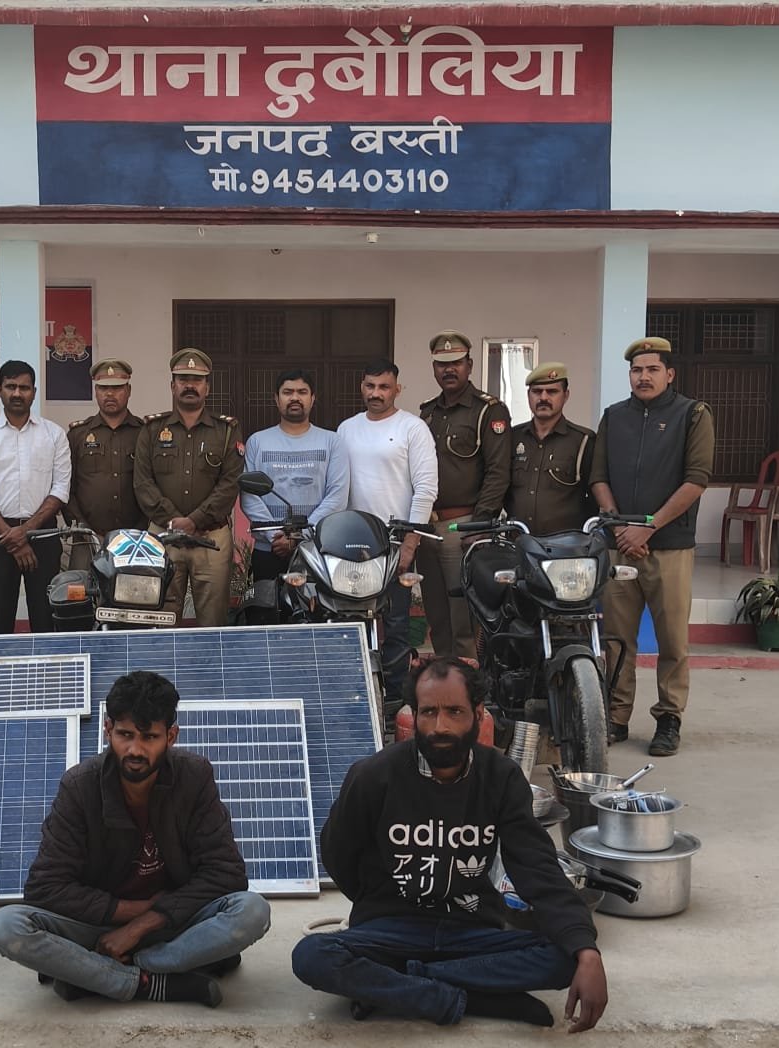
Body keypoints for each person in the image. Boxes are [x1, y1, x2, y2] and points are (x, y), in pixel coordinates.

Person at [291, 657, 608, 1032]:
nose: (440, 726)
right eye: (429, 712)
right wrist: (379, 903)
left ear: (478, 714)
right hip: (390, 931)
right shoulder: (373, 775)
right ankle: (466, 996)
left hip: (471, 931)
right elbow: (338, 854)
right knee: (312, 955)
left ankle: (404, 985)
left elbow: (536, 866)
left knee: (566, 956)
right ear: (414, 715)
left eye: (454, 711)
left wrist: (587, 950)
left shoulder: (501, 777)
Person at [0, 671, 271, 1007]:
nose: (135, 749)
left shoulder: (194, 777)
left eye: (149, 737)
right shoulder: (79, 787)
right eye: (125, 735)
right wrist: (133, 912)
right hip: (98, 927)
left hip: (174, 922)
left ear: (171, 736)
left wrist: (142, 926)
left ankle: (98, 973)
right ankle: (151, 983)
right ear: (107, 730)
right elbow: (44, 887)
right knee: (6, 927)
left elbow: (226, 873)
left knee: (253, 911)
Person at [590, 337, 714, 757]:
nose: (643, 377)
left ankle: (668, 719)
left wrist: (647, 528)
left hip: (670, 547)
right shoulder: (614, 416)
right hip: (620, 546)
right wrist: (620, 526)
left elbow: (696, 480)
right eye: (637, 370)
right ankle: (616, 716)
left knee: (672, 640)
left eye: (652, 369)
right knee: (616, 639)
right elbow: (598, 477)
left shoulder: (692, 414)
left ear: (669, 374)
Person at [337, 360, 438, 701]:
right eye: (370, 386)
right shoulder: (346, 429)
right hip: (353, 542)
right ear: (361, 387)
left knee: (395, 624)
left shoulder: (413, 428)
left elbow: (426, 488)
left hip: (396, 542)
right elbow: (339, 487)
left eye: (384, 387)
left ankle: (395, 699)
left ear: (397, 389)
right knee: (352, 621)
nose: (376, 393)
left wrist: (411, 542)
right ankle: (354, 697)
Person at [133, 350, 244, 627]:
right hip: (163, 537)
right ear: (173, 386)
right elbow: (143, 482)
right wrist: (174, 521)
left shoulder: (226, 430)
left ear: (207, 388)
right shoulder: (152, 429)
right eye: (183, 379)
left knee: (213, 622)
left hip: (211, 538)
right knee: (160, 620)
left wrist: (194, 521)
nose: (190, 385)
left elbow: (229, 484)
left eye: (197, 380)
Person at [419, 331, 512, 658]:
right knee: (436, 615)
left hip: (464, 526)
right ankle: (446, 677)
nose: (449, 369)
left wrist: (480, 524)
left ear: (469, 365)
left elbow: (498, 472)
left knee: (464, 620)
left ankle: (469, 681)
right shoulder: (427, 413)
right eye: (442, 364)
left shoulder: (488, 411)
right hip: (427, 528)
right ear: (434, 368)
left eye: (456, 363)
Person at [0, 359, 71, 634]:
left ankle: (47, 661)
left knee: (46, 616)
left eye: (24, 388)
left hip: (43, 534)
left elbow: (60, 489)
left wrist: (25, 532)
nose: (17, 393)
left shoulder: (54, 435)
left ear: (34, 392)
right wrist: (12, 537)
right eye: (10, 386)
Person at [241, 368, 350, 618]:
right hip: (269, 550)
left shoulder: (332, 442)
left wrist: (299, 537)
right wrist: (277, 537)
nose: (295, 398)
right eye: (287, 392)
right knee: (265, 621)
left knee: (317, 620)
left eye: (302, 392)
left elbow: (337, 496)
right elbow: (249, 495)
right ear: (276, 398)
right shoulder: (257, 441)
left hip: (317, 551)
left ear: (313, 398)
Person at [65, 358, 146, 569]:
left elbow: (152, 484)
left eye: (117, 388)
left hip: (135, 538)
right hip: (86, 537)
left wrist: (139, 528)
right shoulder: (78, 435)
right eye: (103, 388)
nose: (110, 394)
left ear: (128, 391)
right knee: (81, 588)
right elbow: (67, 487)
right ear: (95, 392)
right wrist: (84, 527)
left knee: (133, 588)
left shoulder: (144, 433)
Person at [505, 363, 595, 535]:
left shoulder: (583, 440)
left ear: (566, 395)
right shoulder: (512, 438)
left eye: (552, 392)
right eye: (537, 391)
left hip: (565, 545)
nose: (543, 398)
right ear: (528, 395)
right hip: (518, 541)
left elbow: (594, 499)